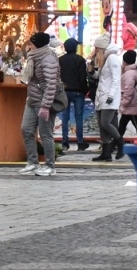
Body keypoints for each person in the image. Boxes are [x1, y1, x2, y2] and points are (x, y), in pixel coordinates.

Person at [17, 31, 61, 176]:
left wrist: (46, 106)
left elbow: (51, 85)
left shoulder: (48, 59)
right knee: (26, 129)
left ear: (37, 44)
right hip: (32, 100)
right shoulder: (33, 57)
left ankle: (50, 166)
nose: (29, 46)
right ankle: (33, 162)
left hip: (43, 102)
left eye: (31, 43)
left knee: (45, 133)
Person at [91, 33, 124, 162]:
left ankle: (120, 143)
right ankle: (106, 152)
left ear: (102, 48)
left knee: (105, 123)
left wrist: (111, 95)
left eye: (97, 49)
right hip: (102, 96)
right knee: (101, 124)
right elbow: (102, 77)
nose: (96, 51)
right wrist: (92, 72)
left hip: (109, 97)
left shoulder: (112, 58)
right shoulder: (105, 59)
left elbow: (116, 78)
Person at [58, 38, 89, 150]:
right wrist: (85, 90)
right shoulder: (80, 60)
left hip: (64, 92)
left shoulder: (60, 60)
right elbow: (83, 77)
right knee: (78, 117)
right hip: (78, 91)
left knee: (65, 117)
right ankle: (80, 142)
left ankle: (65, 142)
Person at [117, 50, 137, 142]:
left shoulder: (129, 74)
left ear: (125, 61)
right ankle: (116, 143)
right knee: (122, 126)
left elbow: (129, 90)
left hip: (131, 104)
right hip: (132, 104)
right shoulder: (135, 71)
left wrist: (124, 102)